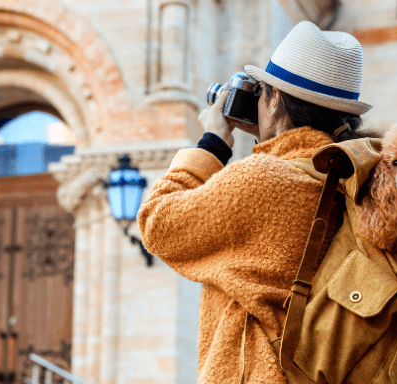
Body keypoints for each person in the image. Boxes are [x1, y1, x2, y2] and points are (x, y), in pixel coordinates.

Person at [137, 21, 378, 383]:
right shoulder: (364, 180)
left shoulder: (262, 180)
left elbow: (158, 223)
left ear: (276, 99)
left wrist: (213, 142)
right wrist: (271, 133)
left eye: (263, 92)